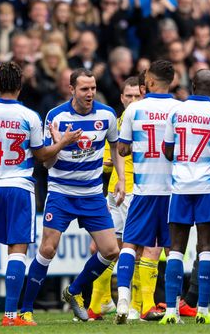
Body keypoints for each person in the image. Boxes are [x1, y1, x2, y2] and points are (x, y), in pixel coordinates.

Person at [0, 62, 81, 327]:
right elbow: (42, 156)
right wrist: (62, 142)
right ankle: (9, 316)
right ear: (20, 86)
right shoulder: (29, 116)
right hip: (20, 187)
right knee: (17, 250)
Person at [20, 68, 124, 323]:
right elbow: (46, 162)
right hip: (61, 192)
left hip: (91, 194)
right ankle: (25, 310)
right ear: (72, 90)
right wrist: (61, 143)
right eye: (84, 89)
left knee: (111, 251)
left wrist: (120, 178)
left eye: (93, 88)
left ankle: (74, 291)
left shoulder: (107, 115)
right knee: (47, 249)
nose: (90, 94)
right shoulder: (56, 117)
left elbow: (115, 146)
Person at [161, 69, 210, 324]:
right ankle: (202, 311)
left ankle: (171, 311)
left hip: (180, 186)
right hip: (208, 188)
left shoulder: (176, 112)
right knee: (206, 249)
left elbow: (168, 151)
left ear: (192, 86)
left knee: (176, 249)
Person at [114, 61, 181, 324]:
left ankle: (122, 301)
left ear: (149, 83)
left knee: (129, 244)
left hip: (143, 190)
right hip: (173, 191)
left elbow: (122, 150)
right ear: (172, 81)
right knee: (172, 249)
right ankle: (173, 311)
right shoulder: (180, 109)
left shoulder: (134, 110)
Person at [88, 76, 147, 321]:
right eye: (128, 96)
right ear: (122, 98)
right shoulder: (125, 121)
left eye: (136, 96)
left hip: (123, 191)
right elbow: (105, 160)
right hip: (127, 192)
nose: (132, 100)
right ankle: (137, 305)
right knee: (135, 249)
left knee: (112, 248)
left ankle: (100, 304)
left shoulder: (128, 120)